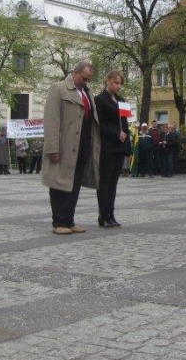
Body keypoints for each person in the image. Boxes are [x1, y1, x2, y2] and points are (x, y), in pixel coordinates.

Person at [41, 61, 100, 235]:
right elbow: (51, 120)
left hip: (82, 144)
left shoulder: (87, 93)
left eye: (89, 79)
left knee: (74, 183)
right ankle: (58, 221)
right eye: (84, 78)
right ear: (75, 73)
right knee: (59, 182)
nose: (86, 82)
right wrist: (53, 148)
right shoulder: (58, 88)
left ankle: (69, 220)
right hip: (64, 145)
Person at [94, 70, 130, 227]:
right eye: (116, 83)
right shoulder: (99, 99)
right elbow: (100, 124)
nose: (118, 86)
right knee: (105, 181)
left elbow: (125, 124)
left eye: (120, 83)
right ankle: (103, 214)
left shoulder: (122, 100)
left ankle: (111, 214)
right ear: (108, 81)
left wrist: (127, 145)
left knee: (114, 182)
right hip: (107, 145)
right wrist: (116, 133)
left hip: (119, 147)